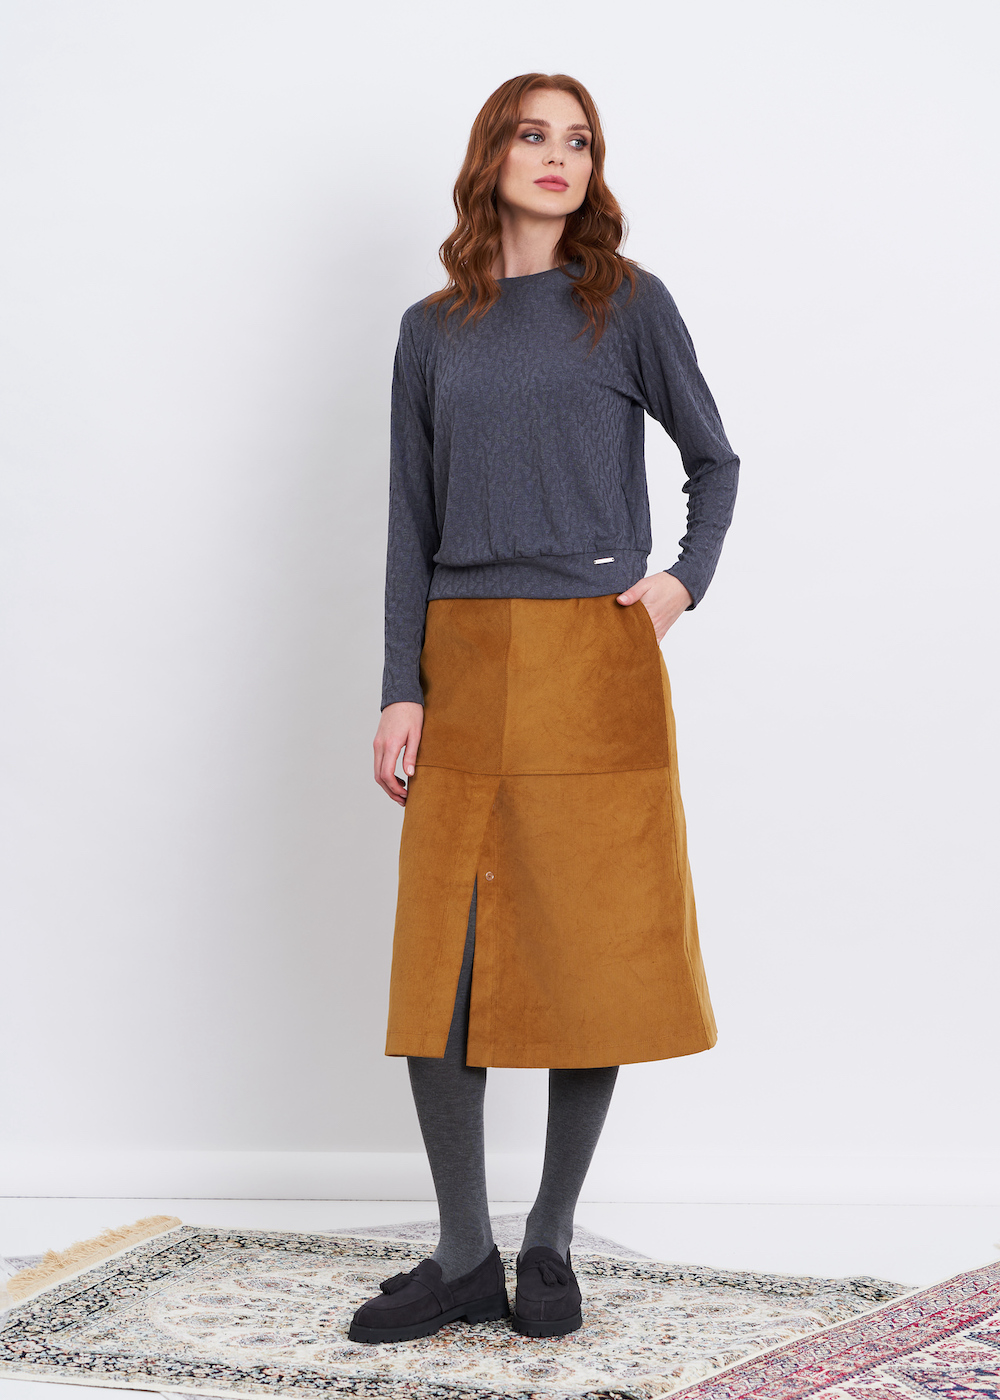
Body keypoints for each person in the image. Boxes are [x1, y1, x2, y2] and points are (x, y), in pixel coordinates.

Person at [351, 72, 740, 1345]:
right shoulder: (430, 329)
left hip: (593, 658)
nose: (558, 156)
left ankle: (550, 1239)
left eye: (579, 140)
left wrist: (679, 580)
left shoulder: (625, 304)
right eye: (534, 134)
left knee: (589, 948)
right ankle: (464, 1254)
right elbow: (409, 517)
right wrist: (400, 683)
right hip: (462, 656)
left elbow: (714, 457)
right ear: (493, 156)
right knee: (445, 962)